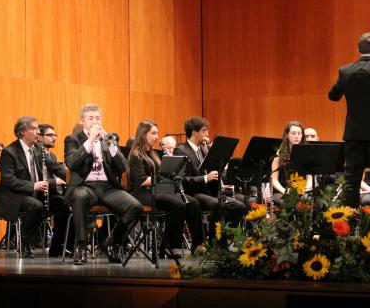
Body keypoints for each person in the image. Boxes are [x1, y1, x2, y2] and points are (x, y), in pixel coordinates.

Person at [64, 104, 143, 265]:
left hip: (108, 187)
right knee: (79, 196)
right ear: (83, 121)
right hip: (85, 186)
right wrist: (91, 139)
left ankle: (112, 244)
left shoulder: (108, 139)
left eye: (98, 118)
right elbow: (71, 163)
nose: (95, 121)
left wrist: (112, 146)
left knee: (135, 207)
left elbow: (122, 167)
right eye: (90, 118)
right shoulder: (73, 139)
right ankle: (80, 247)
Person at [173, 117, 246, 245]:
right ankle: (214, 242)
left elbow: (216, 172)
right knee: (218, 205)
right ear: (195, 133)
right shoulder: (181, 150)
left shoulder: (203, 149)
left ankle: (224, 237)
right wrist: (206, 178)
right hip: (193, 193)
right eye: (204, 131)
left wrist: (209, 154)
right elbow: (182, 179)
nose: (207, 134)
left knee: (240, 206)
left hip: (208, 192)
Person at [0, 116, 60, 258]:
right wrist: (34, 185)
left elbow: (55, 167)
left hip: (35, 194)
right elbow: (9, 180)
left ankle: (59, 247)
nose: (39, 132)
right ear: (23, 131)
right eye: (35, 128)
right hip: (14, 195)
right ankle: (23, 242)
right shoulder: (9, 152)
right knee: (36, 206)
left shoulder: (38, 148)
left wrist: (70, 175)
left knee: (62, 204)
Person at [329, 31, 370, 207]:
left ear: (358, 49)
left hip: (354, 134)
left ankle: (349, 222)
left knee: (351, 178)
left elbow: (333, 96)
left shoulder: (345, 71)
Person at [128, 121, 186, 258]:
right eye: (153, 133)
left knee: (184, 202)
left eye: (157, 133)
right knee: (177, 204)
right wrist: (162, 177)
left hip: (155, 191)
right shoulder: (136, 155)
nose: (157, 137)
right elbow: (141, 180)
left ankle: (169, 245)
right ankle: (168, 246)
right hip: (141, 194)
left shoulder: (153, 154)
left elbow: (160, 175)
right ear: (143, 135)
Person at [37, 123, 71, 257]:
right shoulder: (36, 153)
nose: (54, 138)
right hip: (36, 194)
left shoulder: (51, 156)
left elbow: (59, 171)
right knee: (63, 206)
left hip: (49, 194)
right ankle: (57, 247)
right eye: (50, 135)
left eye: (55, 135)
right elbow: (33, 178)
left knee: (68, 204)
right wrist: (54, 181)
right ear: (39, 137)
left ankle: (64, 245)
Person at [271, 121, 312, 201]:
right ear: (287, 135)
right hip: (282, 191)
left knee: (307, 201)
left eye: (299, 133)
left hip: (301, 191)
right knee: (286, 202)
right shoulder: (279, 153)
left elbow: (309, 179)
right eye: (293, 133)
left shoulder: (306, 153)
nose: (297, 136)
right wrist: (285, 191)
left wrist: (304, 189)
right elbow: (274, 179)